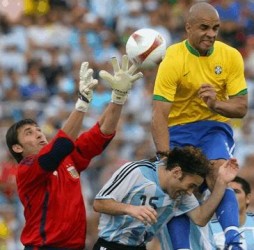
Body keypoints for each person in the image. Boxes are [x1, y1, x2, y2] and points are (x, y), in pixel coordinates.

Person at [5, 55, 143, 250]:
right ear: (17, 148)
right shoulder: (26, 169)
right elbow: (60, 146)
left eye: (38, 129)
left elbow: (102, 131)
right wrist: (82, 103)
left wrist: (118, 97)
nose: (38, 134)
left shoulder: (67, 159)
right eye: (29, 133)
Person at [151, 2, 248, 249]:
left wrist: (216, 104)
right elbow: (160, 114)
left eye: (215, 28)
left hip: (213, 126)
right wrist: (165, 159)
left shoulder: (230, 56)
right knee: (179, 185)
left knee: (217, 170)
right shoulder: (172, 58)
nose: (211, 34)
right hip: (178, 129)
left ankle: (233, 239)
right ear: (188, 28)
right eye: (204, 28)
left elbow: (241, 107)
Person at [92, 146, 239, 250]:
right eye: (191, 185)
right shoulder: (137, 171)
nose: (190, 192)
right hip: (109, 245)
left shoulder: (179, 193)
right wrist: (130, 209)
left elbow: (200, 218)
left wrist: (221, 183)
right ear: (176, 172)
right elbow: (99, 203)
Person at [211, 176, 254, 250]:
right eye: (225, 192)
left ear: (247, 198)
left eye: (236, 192)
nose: (230, 197)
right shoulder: (209, 229)